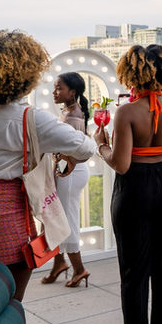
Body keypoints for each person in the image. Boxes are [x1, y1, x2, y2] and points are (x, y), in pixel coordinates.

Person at [0, 30, 96, 302]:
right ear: (25, 74)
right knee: (10, 301)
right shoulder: (31, 118)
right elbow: (85, 147)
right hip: (4, 211)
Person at [95, 44, 162, 324]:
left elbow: (121, 164)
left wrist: (102, 146)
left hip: (136, 187)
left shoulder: (127, 113)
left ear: (132, 72)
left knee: (134, 274)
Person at [41, 72, 93, 287]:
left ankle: (79, 269)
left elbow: (75, 149)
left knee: (66, 221)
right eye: (54, 87)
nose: (55, 92)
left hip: (69, 172)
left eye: (59, 88)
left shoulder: (72, 117)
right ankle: (59, 263)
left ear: (72, 92)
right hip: (67, 170)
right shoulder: (70, 112)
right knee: (57, 217)